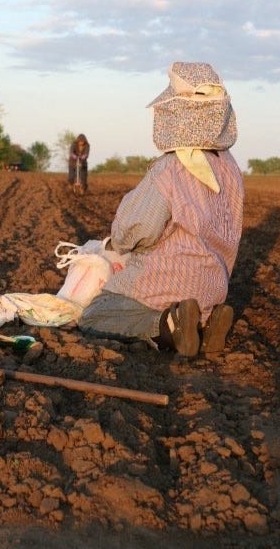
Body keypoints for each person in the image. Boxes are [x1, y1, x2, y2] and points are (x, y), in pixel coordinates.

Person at [78, 62, 244, 358]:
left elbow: (137, 229)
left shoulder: (170, 168)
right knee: (195, 305)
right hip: (214, 287)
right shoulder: (231, 169)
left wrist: (116, 244)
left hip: (163, 284)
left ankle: (167, 325)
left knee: (95, 314)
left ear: (175, 114)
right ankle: (205, 326)